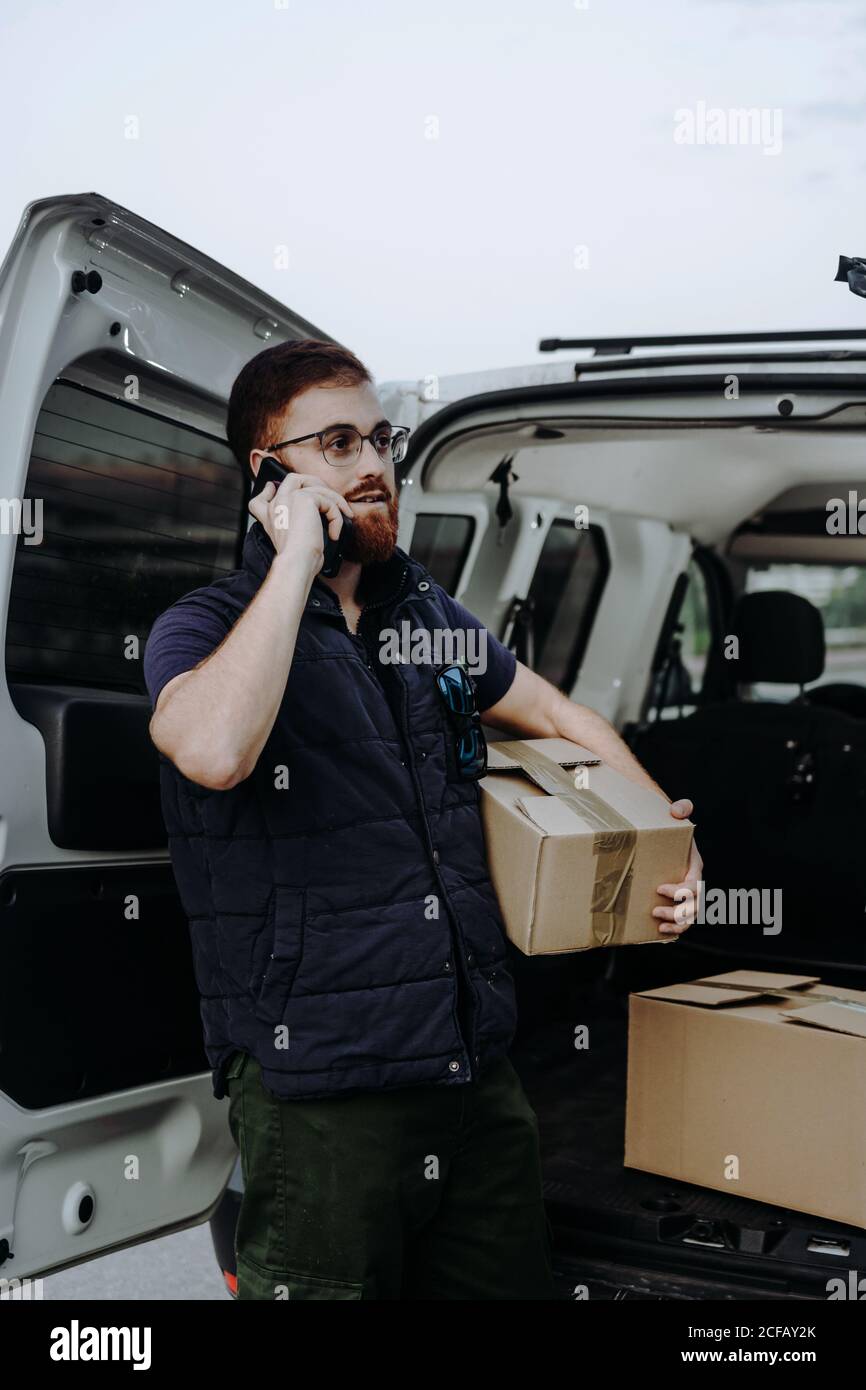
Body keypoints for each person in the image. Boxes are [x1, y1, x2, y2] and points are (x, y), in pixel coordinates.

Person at [143, 338, 702, 1300]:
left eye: (382, 441)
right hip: (323, 1099)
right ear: (268, 472)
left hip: (475, 1077)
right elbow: (214, 749)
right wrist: (294, 563)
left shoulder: (426, 619)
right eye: (338, 444)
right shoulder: (207, 626)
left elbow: (561, 716)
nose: (372, 466)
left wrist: (671, 846)